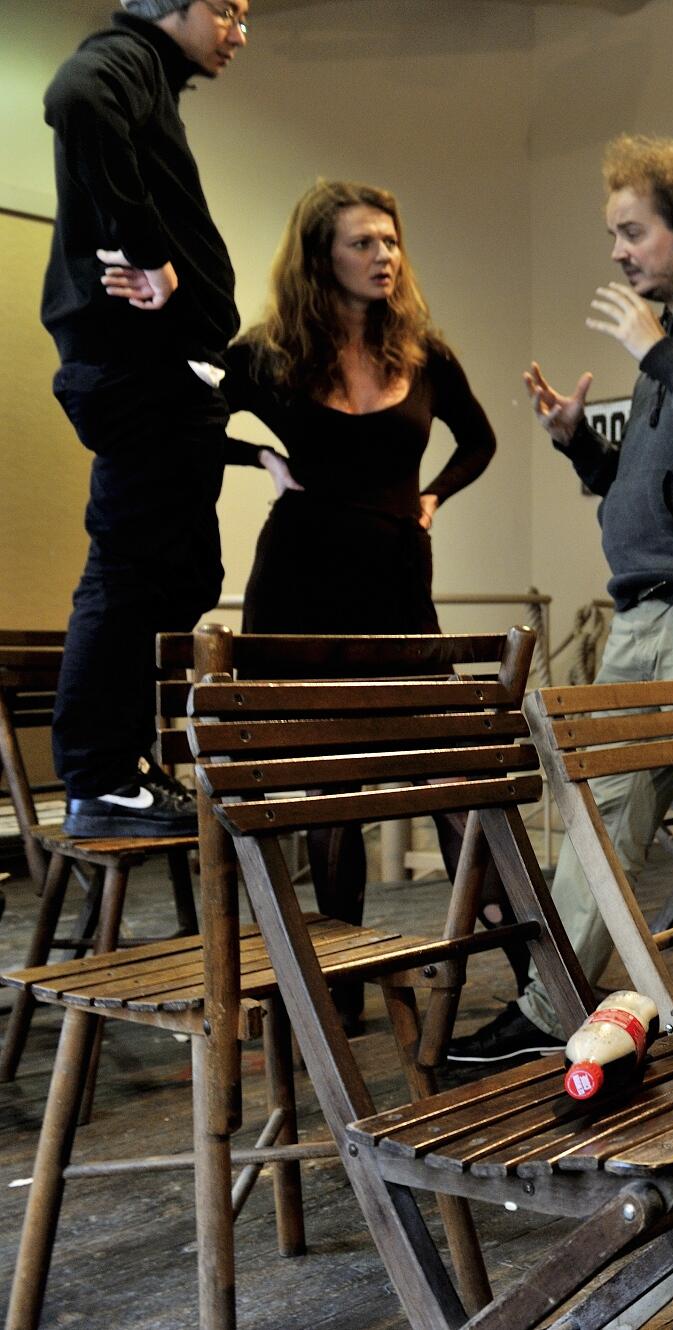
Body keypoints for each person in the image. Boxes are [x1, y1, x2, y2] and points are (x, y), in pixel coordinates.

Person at [450, 133, 673, 1061]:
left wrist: (660, 357)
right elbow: (652, 486)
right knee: (602, 815)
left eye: (633, 231)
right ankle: (550, 1009)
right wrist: (580, 441)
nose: (617, 251)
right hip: (642, 614)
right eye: (615, 233)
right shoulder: (672, 344)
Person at [222, 179, 499, 1017]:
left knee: (455, 773)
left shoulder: (424, 351)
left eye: (392, 240)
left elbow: (479, 440)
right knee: (328, 788)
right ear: (321, 257)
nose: (386, 256)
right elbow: (180, 421)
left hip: (395, 583)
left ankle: (524, 981)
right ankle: (336, 987)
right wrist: (259, 458)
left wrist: (435, 495)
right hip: (300, 584)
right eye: (363, 243)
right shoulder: (269, 353)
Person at [42, 0, 251, 838]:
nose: (239, 32)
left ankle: (123, 762)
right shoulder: (121, 60)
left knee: (187, 574)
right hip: (137, 372)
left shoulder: (150, 78)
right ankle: (100, 778)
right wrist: (147, 253)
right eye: (227, 10)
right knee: (130, 571)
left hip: (165, 377)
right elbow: (74, 96)